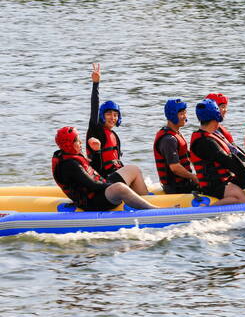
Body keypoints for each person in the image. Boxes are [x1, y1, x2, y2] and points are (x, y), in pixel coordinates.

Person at [52, 126, 157, 211]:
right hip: (91, 201)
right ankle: (154, 210)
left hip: (99, 190)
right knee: (120, 187)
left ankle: (146, 200)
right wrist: (115, 186)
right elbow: (93, 185)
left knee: (133, 169)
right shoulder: (69, 165)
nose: (80, 142)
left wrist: (97, 152)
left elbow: (96, 172)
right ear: (68, 144)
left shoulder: (72, 156)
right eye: (76, 140)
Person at [85, 63, 149, 195]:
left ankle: (142, 195)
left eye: (115, 115)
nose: (112, 118)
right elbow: (94, 108)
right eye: (109, 114)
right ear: (102, 115)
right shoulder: (96, 131)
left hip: (112, 177)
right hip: (103, 181)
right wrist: (96, 84)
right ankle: (147, 202)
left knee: (133, 172)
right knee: (134, 170)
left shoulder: (112, 134)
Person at [190, 99, 245, 205]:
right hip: (213, 186)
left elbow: (230, 159)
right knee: (244, 200)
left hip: (222, 180)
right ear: (215, 116)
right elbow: (227, 161)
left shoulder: (209, 135)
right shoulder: (205, 142)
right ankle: (208, 210)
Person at [153, 98, 200, 194]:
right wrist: (193, 177)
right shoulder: (168, 139)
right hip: (176, 188)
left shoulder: (176, 134)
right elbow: (175, 167)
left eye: (185, 113)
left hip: (184, 183)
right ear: (172, 115)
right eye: (181, 113)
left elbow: (187, 156)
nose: (185, 117)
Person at [204, 93, 245, 162]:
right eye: (223, 107)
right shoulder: (208, 134)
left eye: (225, 107)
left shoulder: (219, 129)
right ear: (213, 108)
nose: (225, 110)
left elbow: (234, 150)